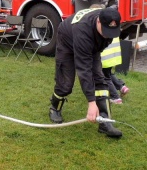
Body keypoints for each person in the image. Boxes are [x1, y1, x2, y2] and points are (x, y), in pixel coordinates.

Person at [48, 7, 123, 138]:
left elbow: (96, 56)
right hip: (67, 41)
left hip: (90, 45)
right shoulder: (82, 30)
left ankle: (105, 123)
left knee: (100, 78)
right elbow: (84, 70)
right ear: (98, 22)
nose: (108, 36)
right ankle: (55, 108)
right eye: (106, 31)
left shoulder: (108, 24)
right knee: (65, 83)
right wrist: (91, 102)